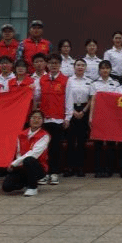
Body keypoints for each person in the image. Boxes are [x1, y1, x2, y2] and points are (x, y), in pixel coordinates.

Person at [35, 54, 69, 185]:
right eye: (51, 63)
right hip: (44, 120)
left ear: (60, 65)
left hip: (58, 119)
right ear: (47, 65)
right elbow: (36, 97)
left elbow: (69, 100)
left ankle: (54, 173)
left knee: (55, 148)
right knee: (43, 148)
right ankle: (43, 173)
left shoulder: (66, 80)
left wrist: (68, 117)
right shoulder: (41, 80)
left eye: (56, 63)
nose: (53, 65)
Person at [3, 109, 50, 196]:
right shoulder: (21, 134)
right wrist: (15, 166)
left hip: (38, 167)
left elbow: (34, 154)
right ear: (29, 120)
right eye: (34, 118)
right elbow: (18, 153)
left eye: (39, 118)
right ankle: (27, 181)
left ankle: (33, 187)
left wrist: (14, 163)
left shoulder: (44, 136)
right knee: (7, 187)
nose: (36, 120)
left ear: (43, 121)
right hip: (22, 166)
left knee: (29, 160)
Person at [64, 58, 95, 178]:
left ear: (85, 68)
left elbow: (91, 99)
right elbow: (66, 97)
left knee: (82, 141)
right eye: (78, 65)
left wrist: (83, 111)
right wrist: (72, 111)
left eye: (82, 65)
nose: (80, 67)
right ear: (74, 67)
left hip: (84, 111)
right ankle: (69, 167)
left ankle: (80, 167)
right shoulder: (69, 81)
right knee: (71, 141)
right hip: (70, 110)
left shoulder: (89, 82)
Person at [92, 60, 121, 177]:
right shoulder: (94, 84)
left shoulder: (116, 84)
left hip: (111, 117)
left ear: (110, 70)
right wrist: (91, 117)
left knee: (110, 144)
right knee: (98, 144)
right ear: (99, 70)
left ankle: (109, 169)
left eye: (107, 68)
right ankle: (98, 169)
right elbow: (93, 101)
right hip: (98, 116)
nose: (105, 70)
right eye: (103, 68)